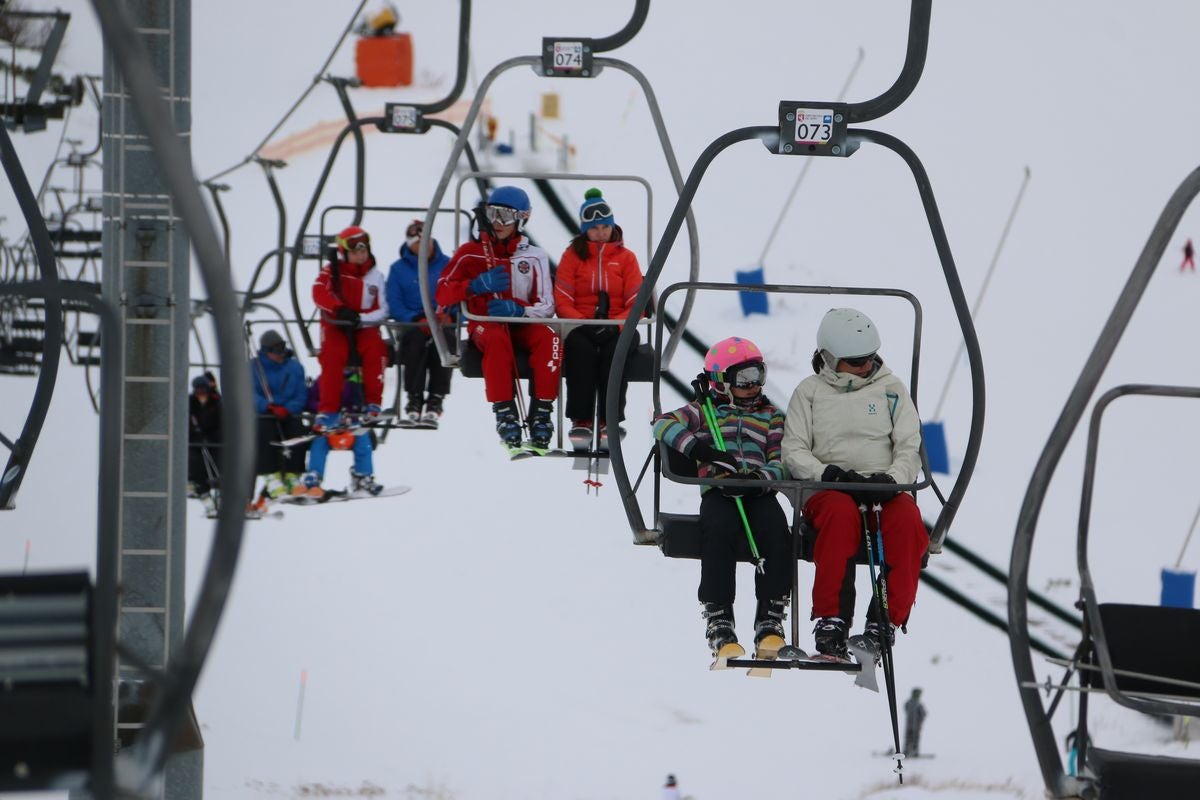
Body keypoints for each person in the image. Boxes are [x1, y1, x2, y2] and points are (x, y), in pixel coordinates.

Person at [781, 308, 926, 659]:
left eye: (869, 358)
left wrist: (891, 480)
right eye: (856, 360)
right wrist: (827, 474)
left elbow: (910, 444)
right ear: (829, 359)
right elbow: (794, 449)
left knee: (908, 524)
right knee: (839, 516)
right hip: (829, 490)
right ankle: (832, 618)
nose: (866, 366)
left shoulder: (891, 389)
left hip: (883, 489)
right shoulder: (809, 393)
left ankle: (884, 620)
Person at [653, 337, 792, 658]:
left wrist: (760, 479)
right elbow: (663, 425)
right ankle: (719, 618)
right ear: (720, 382)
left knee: (776, 532)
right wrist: (704, 451)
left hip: (758, 492)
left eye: (759, 375)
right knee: (717, 532)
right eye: (744, 378)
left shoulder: (771, 415)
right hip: (720, 490)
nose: (753, 385)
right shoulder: (704, 411)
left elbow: (781, 460)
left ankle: (770, 618)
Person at [435, 185, 560, 451]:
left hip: (523, 323)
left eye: (505, 216)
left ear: (522, 218)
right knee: (496, 338)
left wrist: (520, 310)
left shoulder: (534, 256)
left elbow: (547, 306)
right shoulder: (471, 252)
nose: (497, 222)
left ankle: (541, 411)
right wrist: (474, 286)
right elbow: (442, 293)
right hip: (486, 323)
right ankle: (505, 412)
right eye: (492, 214)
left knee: (549, 338)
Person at [554, 188, 644, 449]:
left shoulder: (626, 259)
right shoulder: (573, 256)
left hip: (618, 326)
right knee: (579, 350)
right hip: (581, 325)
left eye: (605, 226)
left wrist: (616, 325)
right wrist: (584, 323)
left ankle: (609, 419)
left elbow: (637, 302)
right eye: (594, 228)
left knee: (615, 353)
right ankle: (581, 419)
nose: (601, 232)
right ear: (585, 230)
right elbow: (562, 298)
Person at [312, 225, 390, 430]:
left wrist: (362, 319)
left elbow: (384, 308)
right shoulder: (331, 272)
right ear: (344, 253)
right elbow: (318, 292)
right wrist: (338, 309)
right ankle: (329, 410)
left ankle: (373, 403)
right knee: (332, 355)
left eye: (363, 251)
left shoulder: (376, 276)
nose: (360, 256)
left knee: (375, 349)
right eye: (355, 252)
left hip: (364, 326)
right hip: (336, 325)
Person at [386, 218, 454, 427]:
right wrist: (415, 319)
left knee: (444, 343)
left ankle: (436, 399)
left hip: (441, 321)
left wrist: (451, 315)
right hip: (414, 324)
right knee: (414, 343)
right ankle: (414, 398)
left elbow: (460, 293)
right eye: (418, 242)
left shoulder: (448, 265)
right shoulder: (398, 270)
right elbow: (394, 303)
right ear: (410, 245)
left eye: (427, 241)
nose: (424, 246)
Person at [294, 369, 383, 499]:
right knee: (319, 441)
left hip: (349, 426)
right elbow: (310, 402)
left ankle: (363, 476)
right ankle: (314, 476)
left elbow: (362, 406)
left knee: (363, 438)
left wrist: (350, 412)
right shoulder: (323, 380)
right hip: (328, 425)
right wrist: (327, 409)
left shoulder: (356, 382)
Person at [250, 329, 308, 504]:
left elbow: (300, 395)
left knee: (298, 428)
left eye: (282, 348)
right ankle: (271, 476)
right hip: (265, 413)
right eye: (276, 350)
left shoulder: (295, 367)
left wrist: (287, 409)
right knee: (264, 429)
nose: (280, 354)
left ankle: (293, 475)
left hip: (288, 413)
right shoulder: (253, 368)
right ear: (266, 351)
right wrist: (267, 406)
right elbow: (248, 393)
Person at [187, 373, 222, 515]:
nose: (201, 394)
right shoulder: (190, 404)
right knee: (195, 463)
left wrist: (210, 438)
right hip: (195, 442)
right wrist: (195, 436)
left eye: (203, 390)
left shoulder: (217, 404)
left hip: (214, 442)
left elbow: (221, 425)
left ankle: (220, 502)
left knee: (219, 466)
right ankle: (206, 500)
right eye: (198, 391)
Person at [904, 687, 927, 757]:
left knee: (908, 738)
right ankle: (914, 752)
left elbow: (906, 709)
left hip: (910, 725)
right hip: (915, 725)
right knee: (914, 739)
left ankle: (907, 751)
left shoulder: (908, 703)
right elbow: (923, 714)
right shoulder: (918, 704)